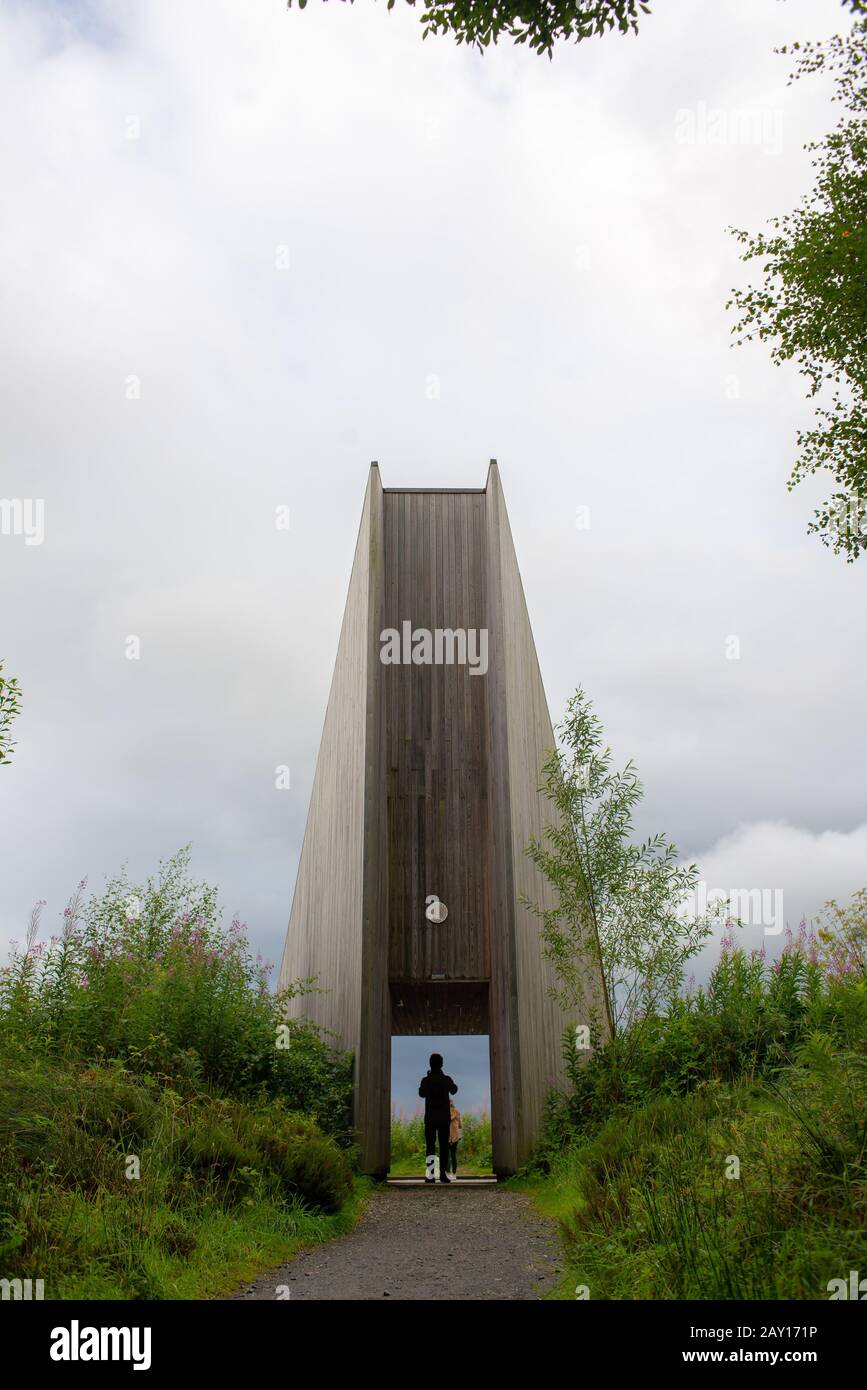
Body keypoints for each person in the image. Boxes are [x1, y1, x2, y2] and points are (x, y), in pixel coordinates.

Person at [418, 1053, 458, 1184]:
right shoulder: (446, 1079)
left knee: (430, 1146)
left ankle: (430, 1175)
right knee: (444, 1147)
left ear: (430, 1064)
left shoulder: (426, 1080)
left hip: (430, 1118)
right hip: (443, 1118)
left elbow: (421, 1093)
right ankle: (442, 1175)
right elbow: (454, 1090)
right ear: (441, 1064)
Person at [448, 1098, 462, 1179]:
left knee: (446, 1156)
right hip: (455, 1137)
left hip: (446, 1136)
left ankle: (447, 1173)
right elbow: (460, 1125)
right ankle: (454, 1174)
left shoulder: (444, 1112)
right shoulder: (457, 1112)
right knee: (453, 1155)